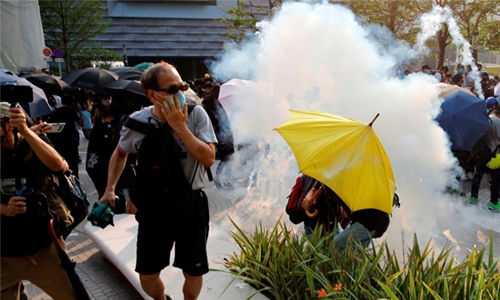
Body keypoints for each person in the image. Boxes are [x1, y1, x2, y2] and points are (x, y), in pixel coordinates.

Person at [99, 61, 217, 300]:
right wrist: (109, 189)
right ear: (152, 95)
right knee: (148, 275)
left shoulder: (196, 115)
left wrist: (181, 128)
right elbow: (120, 152)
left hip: (190, 204)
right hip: (154, 207)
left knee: (193, 271)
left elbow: (209, 158)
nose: (180, 94)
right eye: (171, 90)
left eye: (182, 87)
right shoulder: (137, 123)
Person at [1, 104, 78, 299]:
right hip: (4, 255)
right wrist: (4, 209)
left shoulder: (31, 141)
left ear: (8, 124)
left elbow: (59, 166)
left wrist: (27, 132)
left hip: (43, 247)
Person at [202, 84, 235, 189]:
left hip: (226, 134)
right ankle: (219, 178)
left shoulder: (220, 102)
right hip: (220, 135)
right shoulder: (212, 104)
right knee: (227, 158)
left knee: (229, 157)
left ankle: (224, 179)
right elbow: (212, 122)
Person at [470, 108, 500, 211]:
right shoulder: (497, 122)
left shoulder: (484, 120)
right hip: (493, 156)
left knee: (478, 175)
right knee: (496, 178)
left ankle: (473, 196)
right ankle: (494, 202)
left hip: (481, 153)